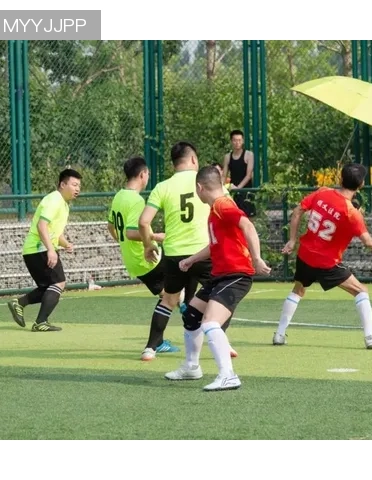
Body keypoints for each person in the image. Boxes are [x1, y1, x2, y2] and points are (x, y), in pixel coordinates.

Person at [274, 163, 372, 349]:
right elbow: (368, 242)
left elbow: (297, 211)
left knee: (298, 290)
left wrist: (291, 240)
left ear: (340, 179)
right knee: (361, 291)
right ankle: (370, 338)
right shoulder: (351, 213)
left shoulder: (323, 192)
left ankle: (279, 334)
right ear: (361, 184)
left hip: (305, 254)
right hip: (327, 262)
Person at [164, 166, 271, 391]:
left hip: (236, 275)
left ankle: (228, 375)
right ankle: (191, 367)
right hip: (220, 276)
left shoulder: (223, 205)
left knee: (210, 322)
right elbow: (215, 245)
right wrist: (191, 259)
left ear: (200, 187)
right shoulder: (216, 210)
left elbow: (248, 225)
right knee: (192, 315)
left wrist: (257, 258)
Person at [138, 142, 237, 358]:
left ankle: (150, 348)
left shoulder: (162, 187)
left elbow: (144, 222)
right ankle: (222, 342)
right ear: (193, 159)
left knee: (168, 300)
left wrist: (148, 245)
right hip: (205, 253)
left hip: (174, 255)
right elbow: (231, 212)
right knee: (221, 296)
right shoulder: (208, 183)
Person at [108, 156, 179, 361]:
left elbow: (111, 226)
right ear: (142, 174)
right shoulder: (136, 200)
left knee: (167, 295)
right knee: (175, 294)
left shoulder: (119, 196)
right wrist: (155, 237)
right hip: (148, 259)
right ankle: (159, 342)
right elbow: (132, 232)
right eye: (147, 173)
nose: (148, 177)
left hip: (133, 261)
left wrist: (122, 243)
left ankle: (159, 341)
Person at [7, 169, 82, 332]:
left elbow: (55, 232)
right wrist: (50, 250)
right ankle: (40, 322)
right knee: (58, 283)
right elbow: (42, 226)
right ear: (62, 184)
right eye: (74, 184)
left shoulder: (64, 204)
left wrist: (65, 244)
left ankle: (19, 303)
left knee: (49, 287)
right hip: (38, 248)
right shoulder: (54, 199)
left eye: (79, 186)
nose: (77, 189)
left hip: (36, 249)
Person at [222, 129, 255, 217]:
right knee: (234, 217)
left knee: (248, 218)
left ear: (243, 141)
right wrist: (221, 188)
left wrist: (238, 188)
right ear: (231, 141)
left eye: (239, 140)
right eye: (235, 140)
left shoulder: (249, 155)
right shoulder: (227, 157)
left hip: (246, 191)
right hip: (233, 191)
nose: (237, 143)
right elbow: (224, 175)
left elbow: (249, 175)